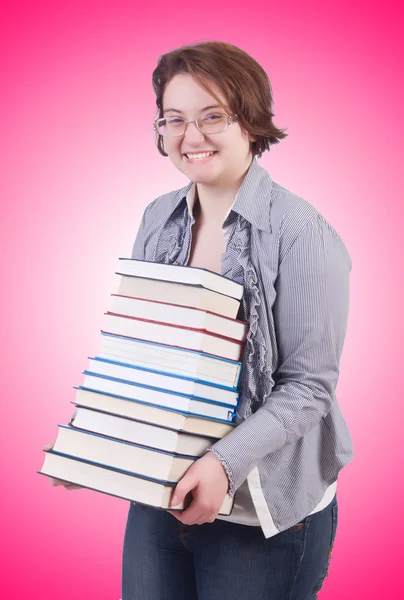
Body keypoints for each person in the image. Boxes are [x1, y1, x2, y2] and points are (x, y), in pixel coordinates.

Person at [45, 41, 354, 599]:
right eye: (175, 119)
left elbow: (309, 389)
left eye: (213, 116)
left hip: (262, 511)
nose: (191, 137)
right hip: (160, 495)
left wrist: (222, 462)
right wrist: (98, 445)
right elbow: (144, 350)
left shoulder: (300, 232)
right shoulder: (157, 217)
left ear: (251, 119)